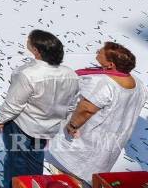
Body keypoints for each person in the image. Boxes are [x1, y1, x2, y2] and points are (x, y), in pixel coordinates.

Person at [47, 41, 148, 182]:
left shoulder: (104, 83)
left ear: (111, 64)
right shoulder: (138, 85)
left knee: (68, 176)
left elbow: (86, 109)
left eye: (101, 52)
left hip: (84, 144)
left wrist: (72, 125)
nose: (97, 52)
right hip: (109, 146)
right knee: (90, 175)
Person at [0, 30, 79, 188]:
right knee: (35, 163)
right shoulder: (70, 73)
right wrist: (67, 121)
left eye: (29, 40)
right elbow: (71, 103)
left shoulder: (27, 73)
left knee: (15, 165)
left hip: (21, 126)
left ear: (36, 50)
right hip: (48, 127)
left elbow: (14, 104)